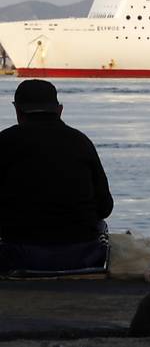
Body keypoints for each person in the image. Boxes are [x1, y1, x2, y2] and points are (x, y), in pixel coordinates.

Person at [0, 79, 113, 274]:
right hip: (82, 255)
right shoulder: (81, 142)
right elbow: (105, 207)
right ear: (59, 110)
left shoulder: (5, 141)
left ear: (17, 111)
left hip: (19, 255)